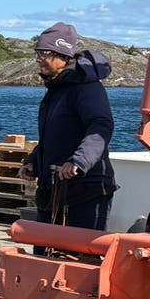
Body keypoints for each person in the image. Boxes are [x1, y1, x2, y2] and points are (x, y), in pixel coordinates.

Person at [26, 22, 116, 229]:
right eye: (37, 52)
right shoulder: (56, 88)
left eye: (44, 53)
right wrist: (32, 161)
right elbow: (55, 138)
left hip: (86, 189)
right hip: (53, 189)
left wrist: (79, 161)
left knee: (79, 256)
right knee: (44, 255)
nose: (39, 59)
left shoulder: (87, 88)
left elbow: (101, 126)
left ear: (62, 54)